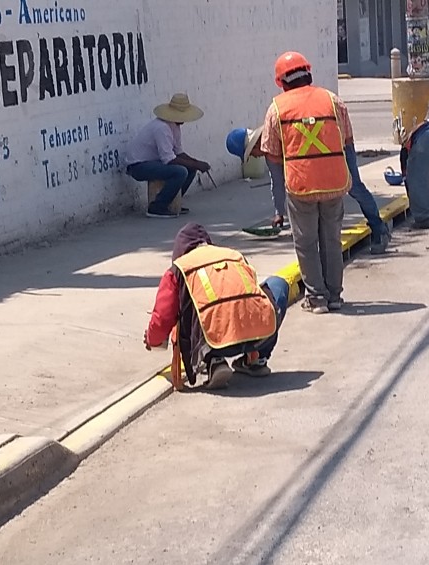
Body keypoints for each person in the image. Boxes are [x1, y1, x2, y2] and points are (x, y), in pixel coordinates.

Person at [260, 51, 353, 314]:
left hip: (300, 186)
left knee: (306, 242)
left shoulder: (276, 108)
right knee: (331, 240)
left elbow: (273, 161)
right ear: (309, 74)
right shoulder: (332, 100)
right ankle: (334, 296)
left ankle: (316, 298)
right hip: (335, 183)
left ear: (282, 82)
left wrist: (278, 209)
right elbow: (347, 142)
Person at [143, 223, 290, 390]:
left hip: (215, 340)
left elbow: (163, 317)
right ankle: (257, 359)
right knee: (278, 284)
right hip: (258, 335)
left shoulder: (179, 269)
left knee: (199, 309)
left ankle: (215, 360)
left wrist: (151, 339)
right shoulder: (234, 256)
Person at [226, 127, 391, 255]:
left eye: (252, 153)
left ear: (255, 144)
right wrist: (279, 212)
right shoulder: (270, 153)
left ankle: (379, 229)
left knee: (354, 188)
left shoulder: (277, 131)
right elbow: (278, 182)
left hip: (335, 144)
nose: (255, 157)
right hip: (319, 154)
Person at [125, 93, 212, 218]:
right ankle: (157, 207)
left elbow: (179, 152)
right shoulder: (162, 128)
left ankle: (172, 201)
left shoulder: (174, 127)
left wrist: (196, 163)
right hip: (138, 166)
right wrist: (197, 164)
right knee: (180, 172)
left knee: (190, 169)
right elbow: (169, 159)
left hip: (153, 162)